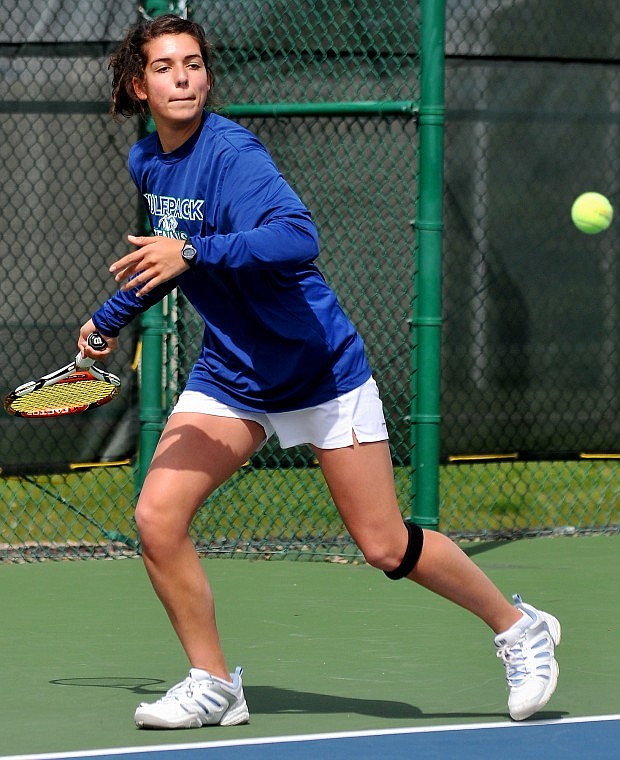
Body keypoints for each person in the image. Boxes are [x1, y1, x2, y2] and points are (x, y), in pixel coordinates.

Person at [79, 14, 561, 729]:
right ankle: (214, 682)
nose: (182, 77)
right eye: (163, 67)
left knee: (385, 544)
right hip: (234, 372)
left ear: (208, 76)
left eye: (193, 64)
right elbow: (169, 254)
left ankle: (517, 626)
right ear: (137, 84)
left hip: (317, 367)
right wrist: (112, 316)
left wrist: (196, 255)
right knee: (157, 516)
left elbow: (297, 237)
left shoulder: (234, 154)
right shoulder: (148, 162)